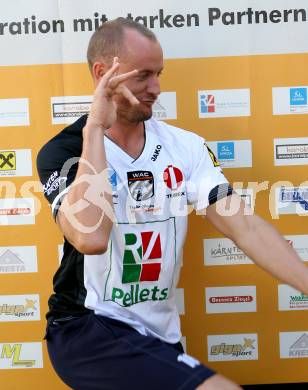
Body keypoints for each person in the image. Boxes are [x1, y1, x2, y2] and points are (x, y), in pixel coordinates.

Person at [37, 18, 308, 390]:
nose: (156, 88)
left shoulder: (185, 147)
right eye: (143, 75)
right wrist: (95, 129)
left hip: (158, 335)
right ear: (103, 74)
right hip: (87, 327)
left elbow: (243, 225)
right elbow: (91, 237)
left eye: (159, 74)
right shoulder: (65, 151)